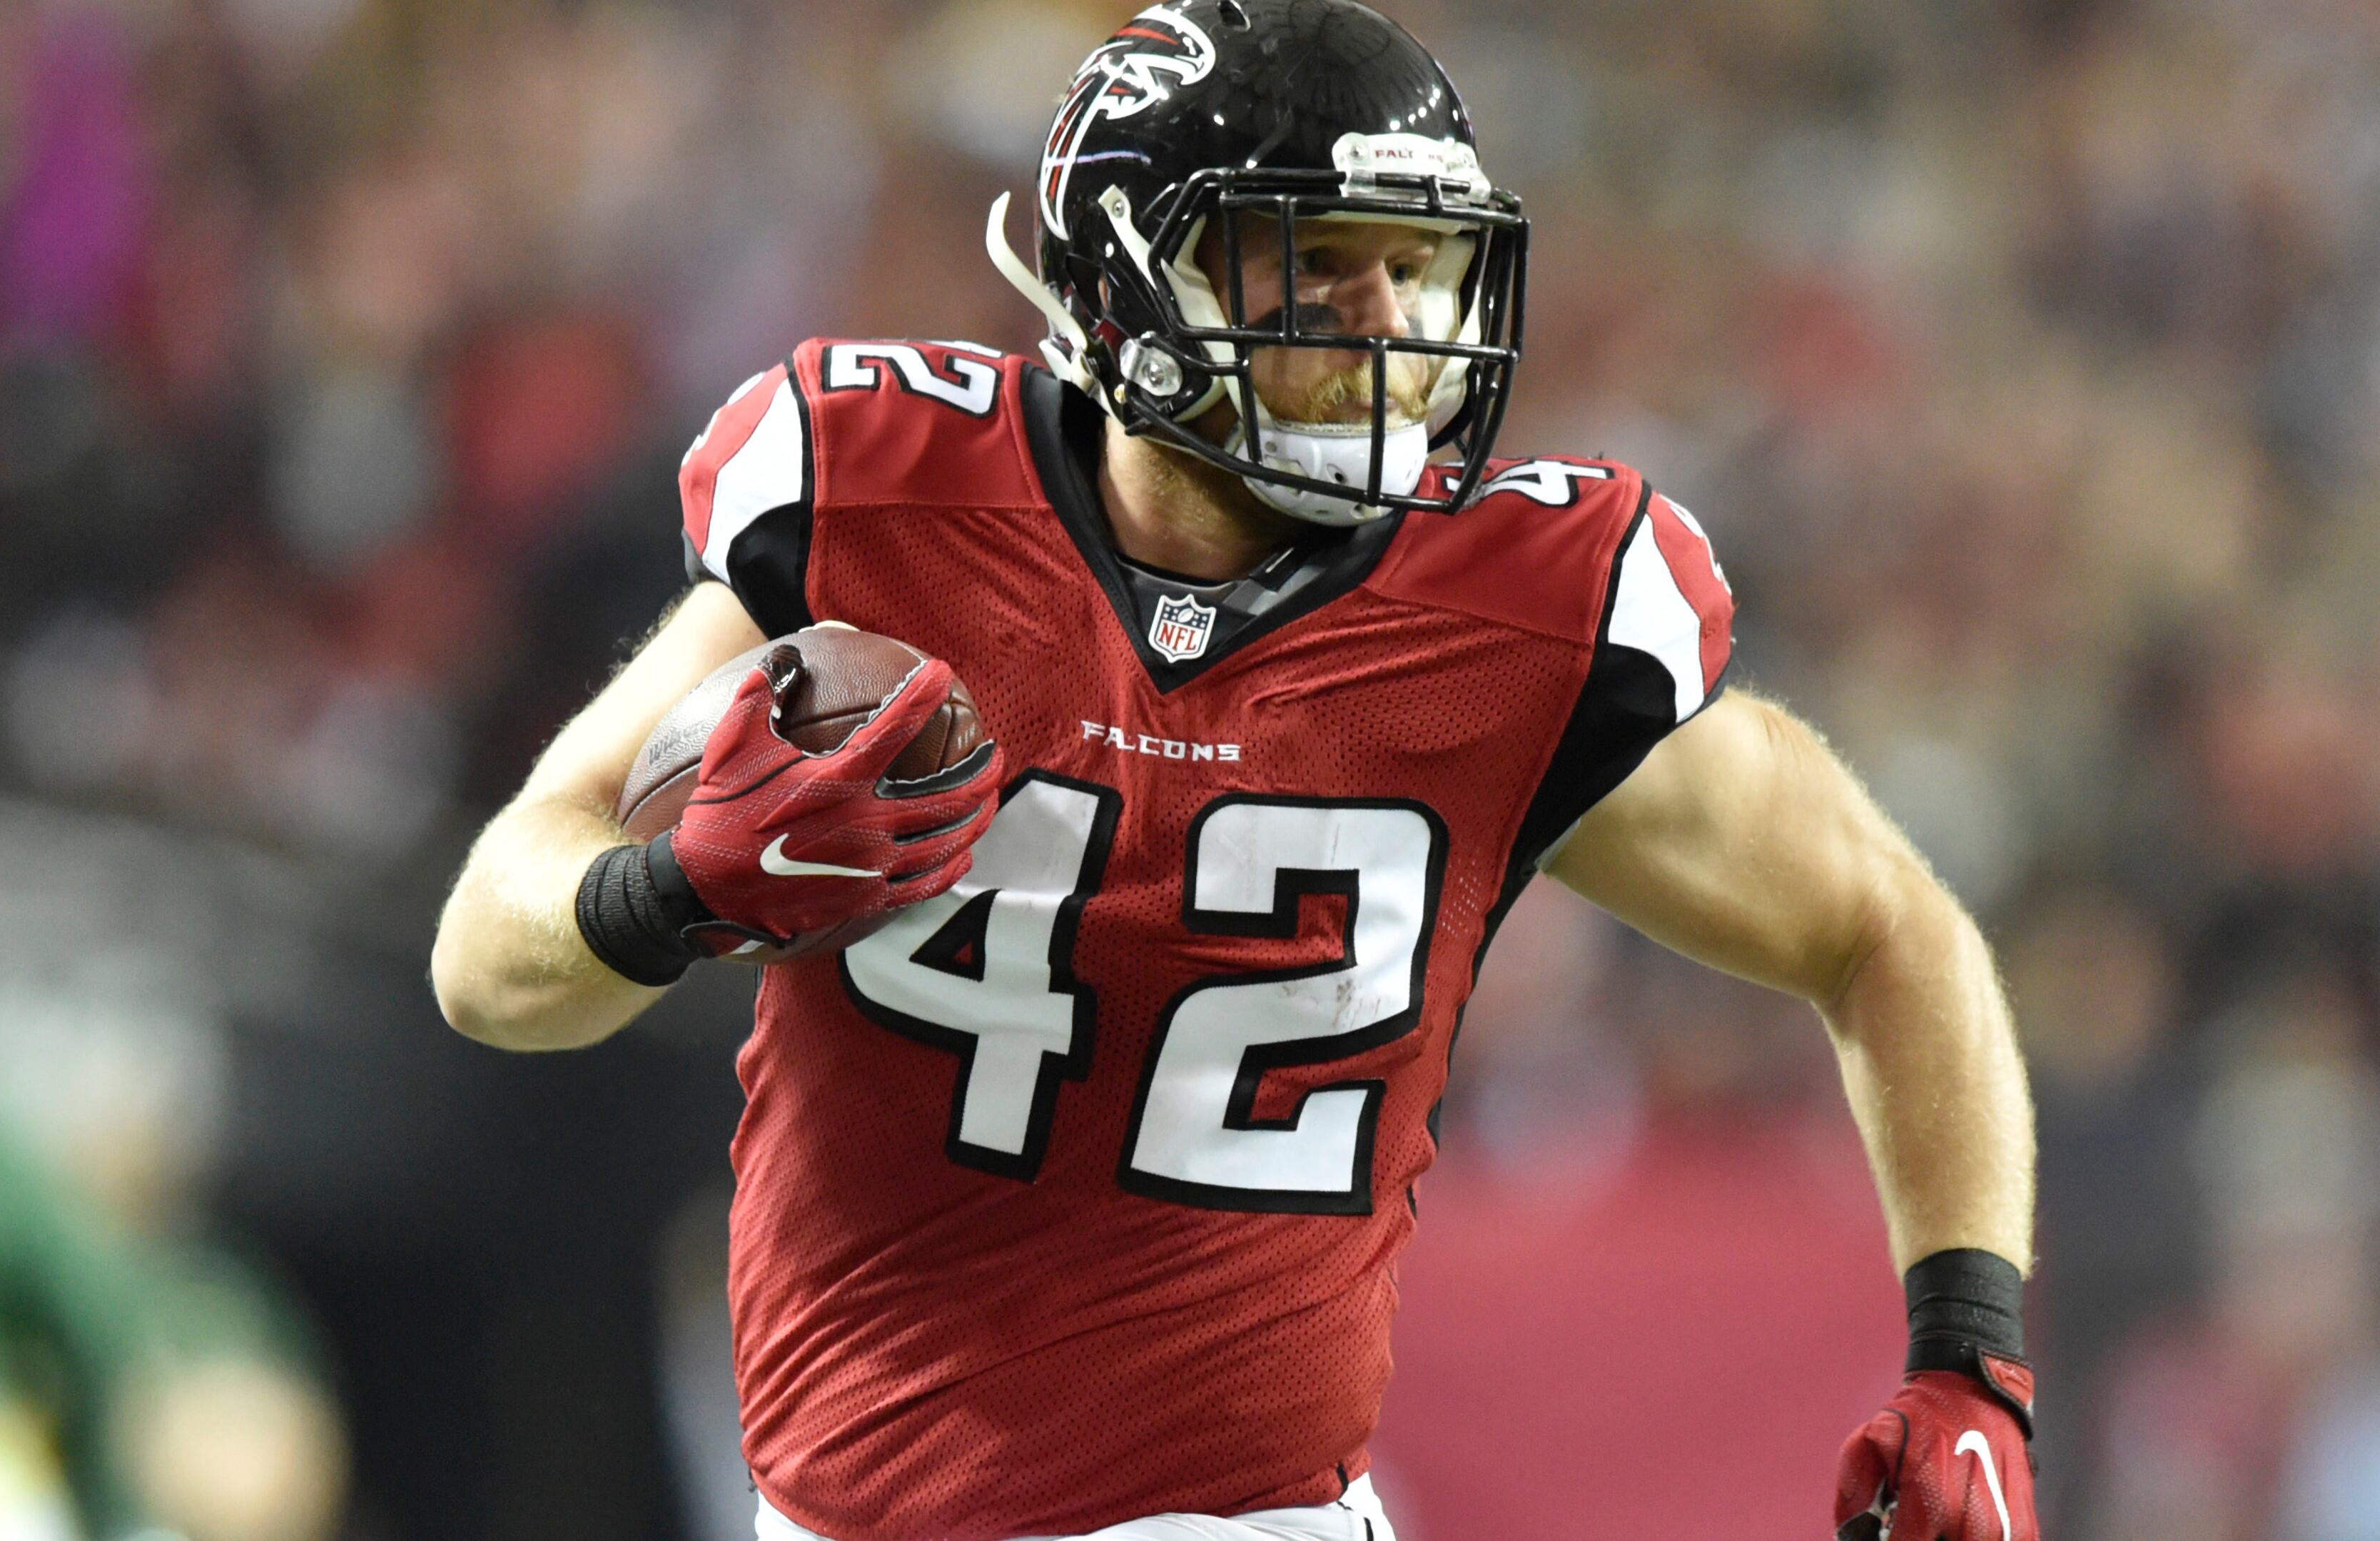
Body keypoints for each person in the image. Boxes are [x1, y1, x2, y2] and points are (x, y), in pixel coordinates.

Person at [429, 4, 2039, 1539]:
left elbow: (1887, 929)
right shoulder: (884, 518)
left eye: (1416, 275)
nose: (1387, 333)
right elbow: (489, 962)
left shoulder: (1517, 618)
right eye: (1316, 271)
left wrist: (1973, 1358)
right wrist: (668, 892)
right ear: (1131, 279)